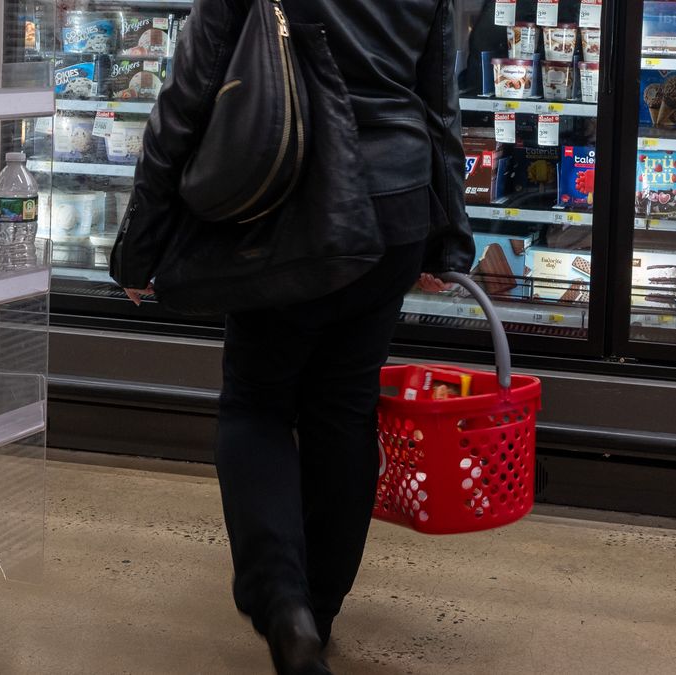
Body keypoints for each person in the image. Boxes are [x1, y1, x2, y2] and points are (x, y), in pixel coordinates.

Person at [110, 0, 474, 672]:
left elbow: (188, 94)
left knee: (257, 402)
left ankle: (284, 603)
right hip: (395, 207)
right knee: (343, 410)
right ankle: (320, 609)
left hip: (287, 206)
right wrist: (447, 235)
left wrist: (142, 239)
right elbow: (439, 101)